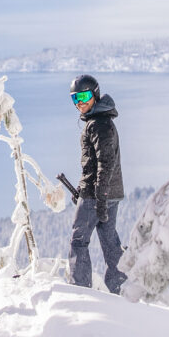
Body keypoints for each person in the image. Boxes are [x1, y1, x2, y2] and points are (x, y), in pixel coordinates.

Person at [68, 74, 127, 294]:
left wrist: (97, 196)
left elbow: (105, 163)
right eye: (75, 98)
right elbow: (93, 165)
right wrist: (82, 188)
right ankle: (119, 286)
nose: (80, 103)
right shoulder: (101, 121)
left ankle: (80, 289)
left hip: (97, 194)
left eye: (84, 96)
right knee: (109, 239)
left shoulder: (98, 125)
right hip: (107, 192)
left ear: (95, 93)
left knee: (78, 240)